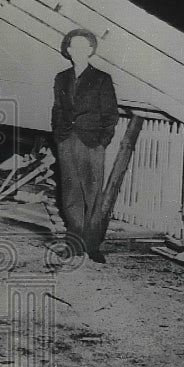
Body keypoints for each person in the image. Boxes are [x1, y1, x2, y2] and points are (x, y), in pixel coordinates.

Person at [51, 28, 120, 263]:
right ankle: (74, 245)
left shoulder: (102, 79)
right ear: (68, 51)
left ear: (90, 51)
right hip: (67, 140)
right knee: (70, 194)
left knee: (92, 194)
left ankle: (92, 246)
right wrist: (59, 136)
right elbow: (58, 109)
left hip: (92, 143)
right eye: (72, 47)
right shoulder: (61, 78)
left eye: (82, 47)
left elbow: (111, 115)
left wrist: (102, 142)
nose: (76, 51)